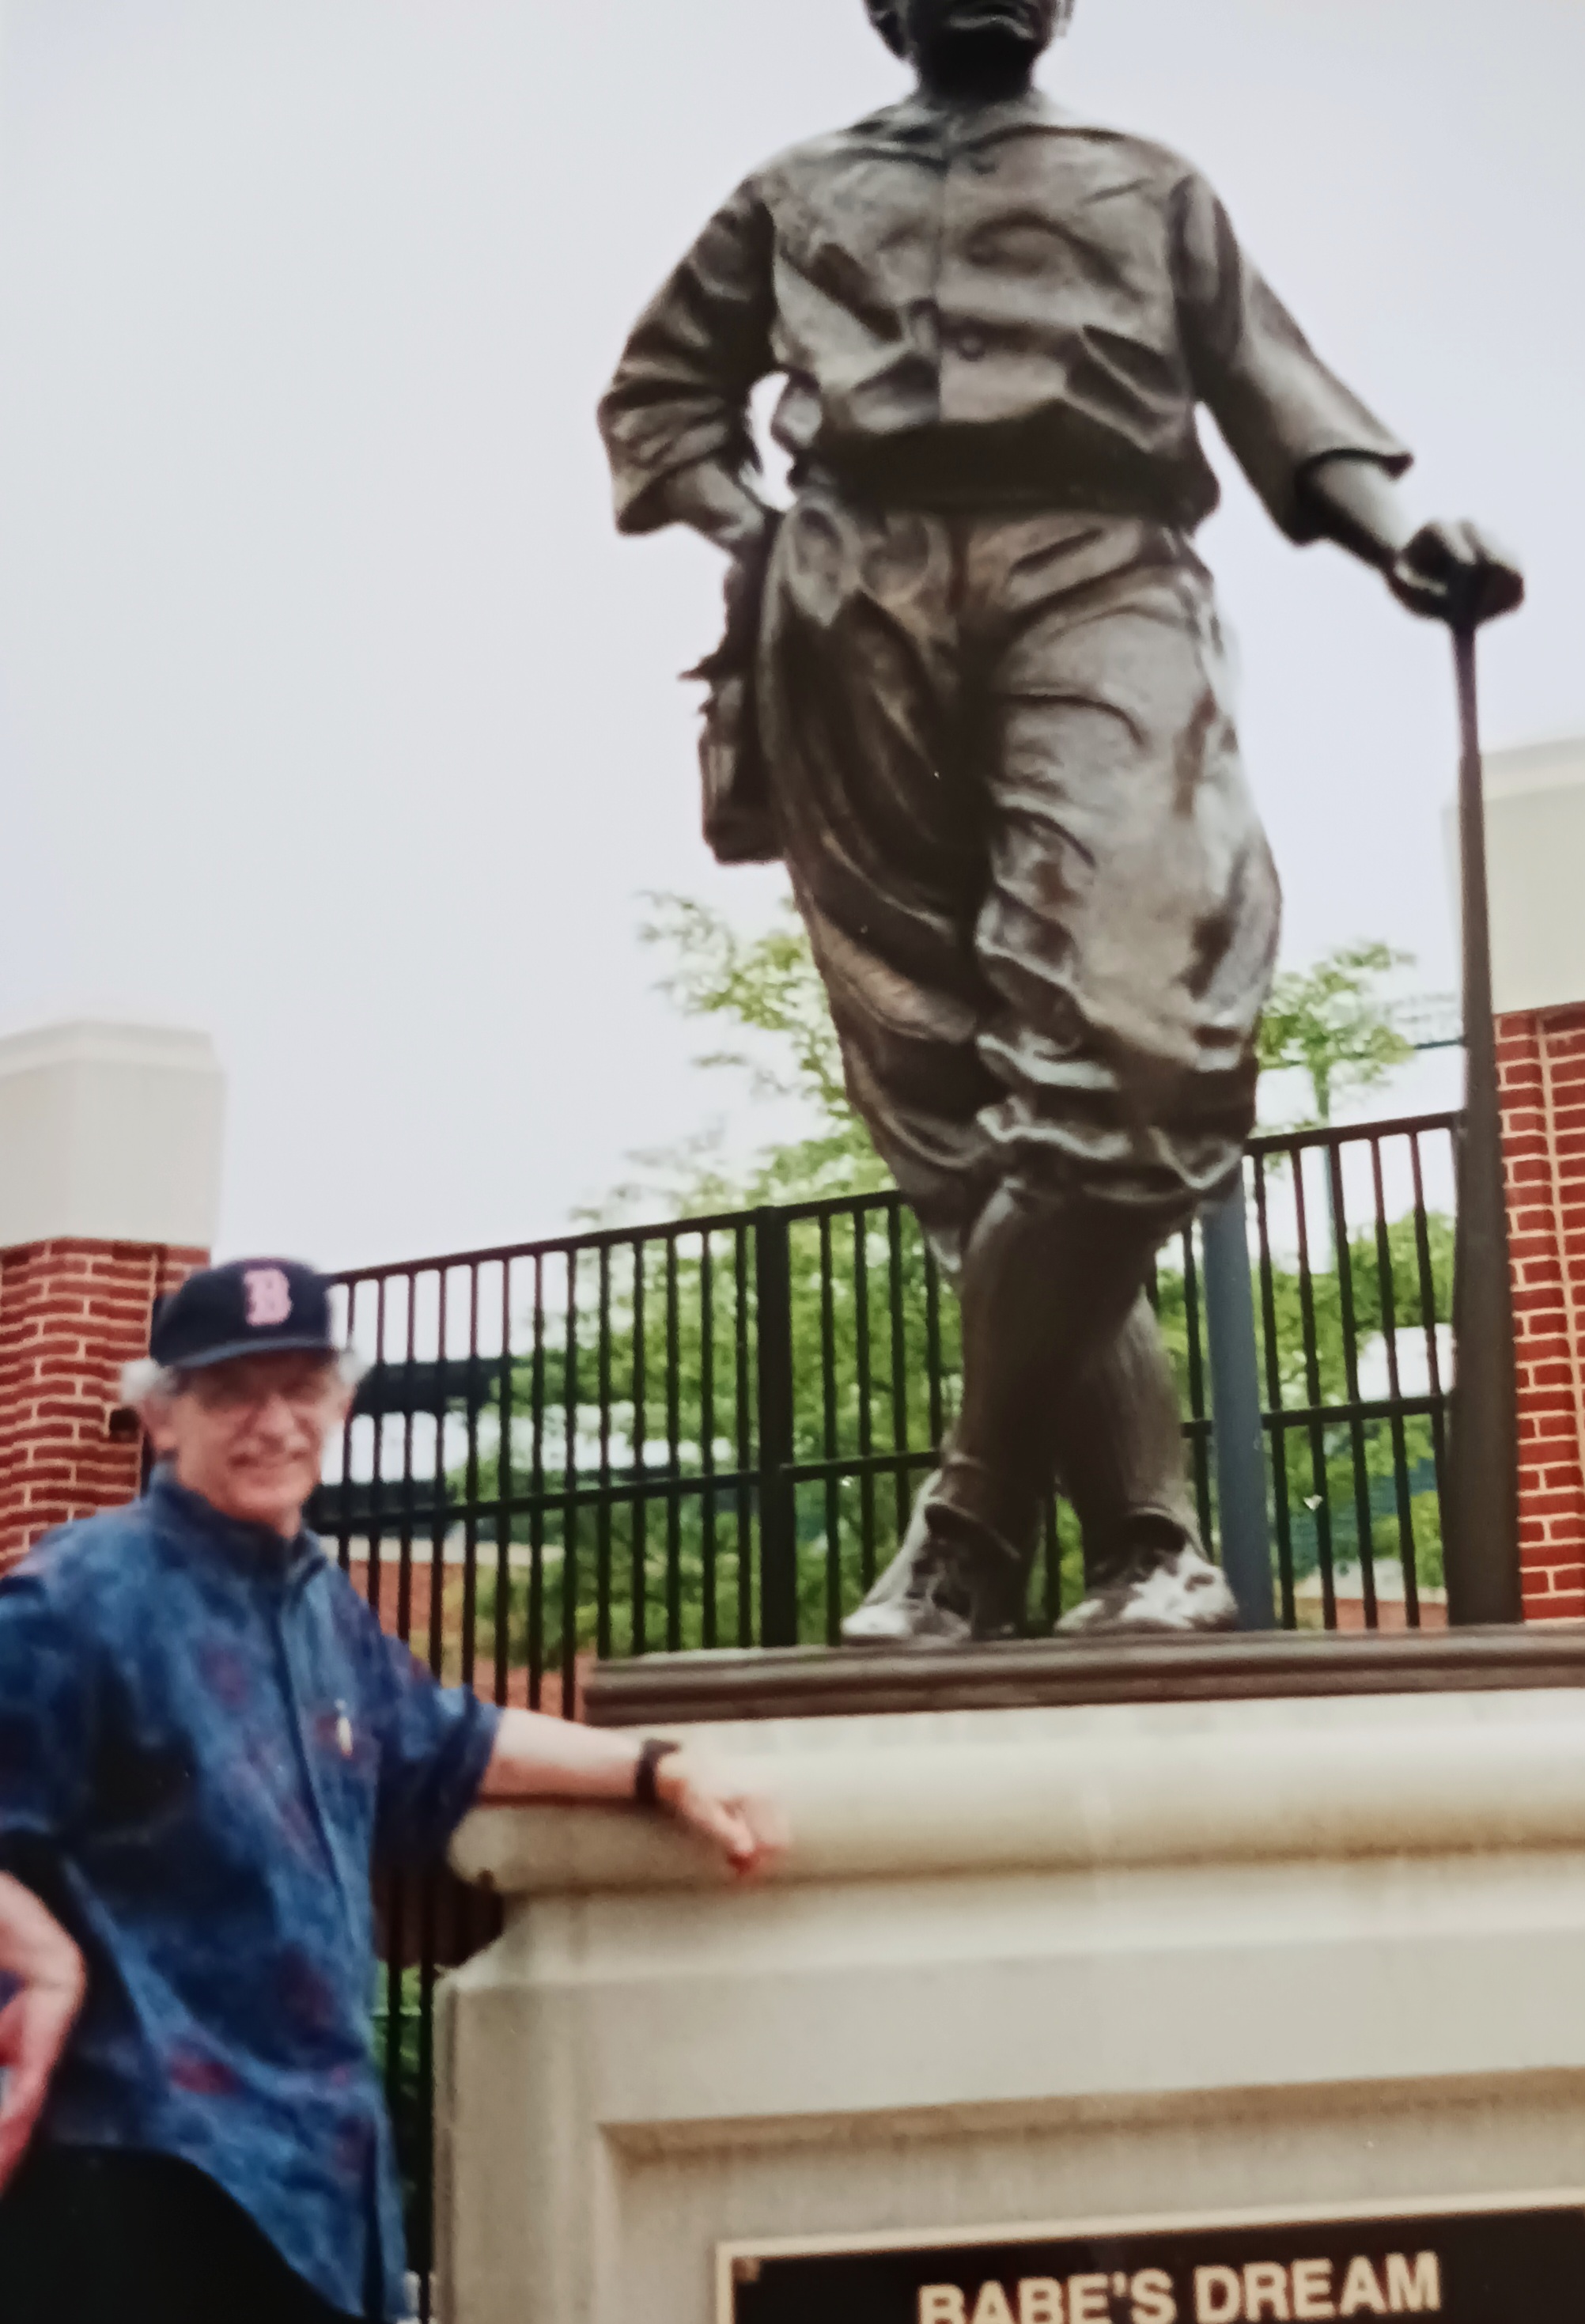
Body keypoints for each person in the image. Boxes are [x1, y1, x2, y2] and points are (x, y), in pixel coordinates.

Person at [599, 0, 1521, 1643]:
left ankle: (969, 1517)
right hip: (853, 615)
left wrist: (1398, 539)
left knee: (1139, 1047)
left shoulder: (1144, 182)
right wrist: (765, 544)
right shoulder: (793, 188)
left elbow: (1275, 391)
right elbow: (660, 403)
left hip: (1098, 576)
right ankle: (1147, 1546)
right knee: (959, 1117)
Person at [0, 1255, 785, 2324]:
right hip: (129, 2188)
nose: (272, 1417)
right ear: (163, 1417)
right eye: (231, 1389)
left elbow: (452, 1737)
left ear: (339, 1402)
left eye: (301, 1385)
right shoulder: (77, 1596)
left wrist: (652, 1763)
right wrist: (36, 1937)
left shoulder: (319, 1603)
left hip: (306, 2211)